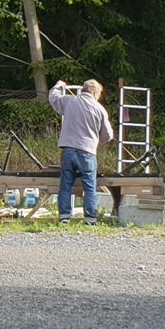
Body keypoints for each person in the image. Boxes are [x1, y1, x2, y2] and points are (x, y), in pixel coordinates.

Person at [48, 79, 112, 222]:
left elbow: (53, 97)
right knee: (89, 186)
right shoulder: (100, 109)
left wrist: (59, 85)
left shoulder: (69, 101)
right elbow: (107, 136)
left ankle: (64, 216)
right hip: (88, 152)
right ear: (95, 93)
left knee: (66, 184)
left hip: (68, 150)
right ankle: (90, 218)